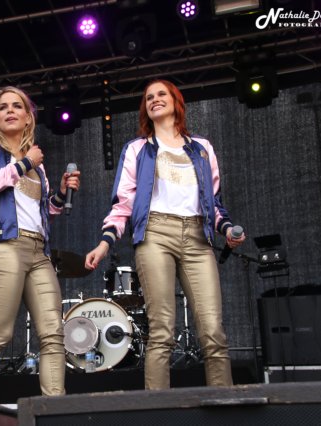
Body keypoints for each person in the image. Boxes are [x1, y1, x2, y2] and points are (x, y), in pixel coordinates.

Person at [85, 80, 245, 390]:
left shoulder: (202, 148)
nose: (155, 100)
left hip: (198, 238)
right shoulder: (137, 149)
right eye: (149, 97)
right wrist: (105, 242)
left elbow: (214, 203)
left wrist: (227, 229)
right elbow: (123, 203)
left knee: (213, 330)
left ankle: (225, 403)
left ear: (176, 101)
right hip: (156, 235)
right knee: (161, 330)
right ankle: (157, 408)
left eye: (161, 94)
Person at [0, 86, 80, 398]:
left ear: (28, 118)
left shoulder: (38, 165)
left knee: (53, 335)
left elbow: (42, 211)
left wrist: (60, 194)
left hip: (38, 252)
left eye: (16, 106)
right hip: (4, 247)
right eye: (3, 107)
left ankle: (54, 409)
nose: (10, 111)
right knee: (0, 333)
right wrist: (24, 163)